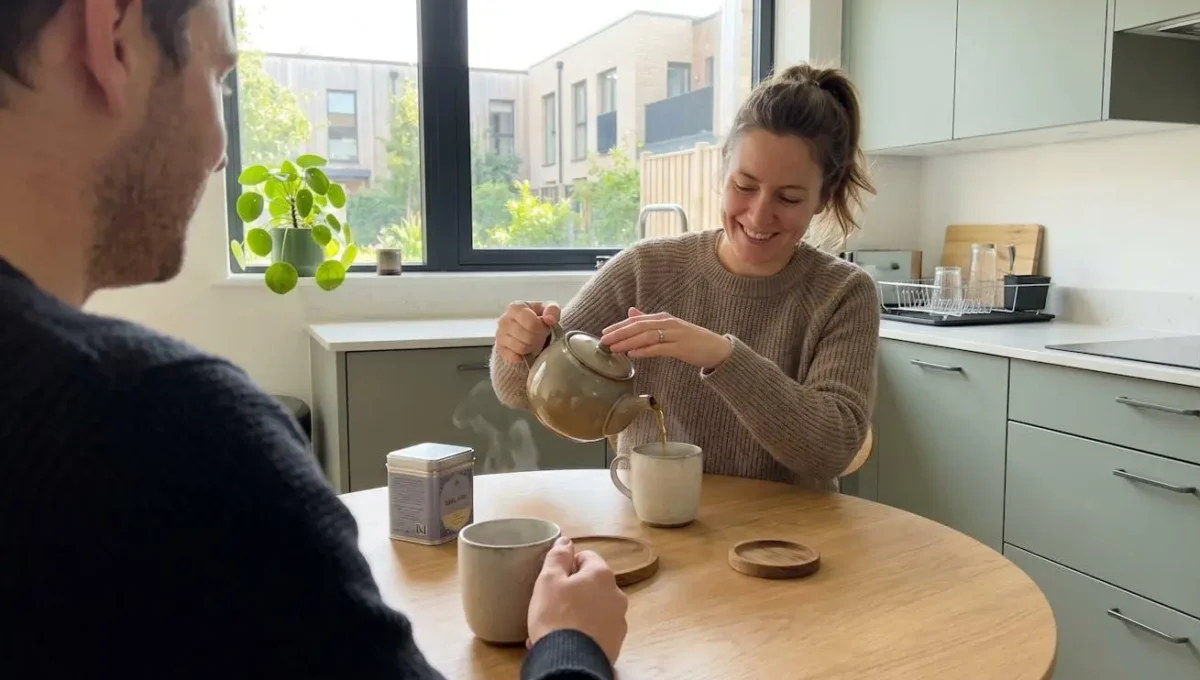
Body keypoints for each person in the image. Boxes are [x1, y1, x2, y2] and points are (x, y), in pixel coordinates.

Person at [0, 1, 626, 677]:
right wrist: (571, 644)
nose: (219, 157)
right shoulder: (158, 427)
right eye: (216, 77)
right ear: (113, 37)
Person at [493, 65, 880, 491]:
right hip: (652, 530)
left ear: (825, 195)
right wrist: (521, 348)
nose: (758, 214)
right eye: (744, 186)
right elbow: (519, 390)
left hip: (785, 547)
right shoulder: (645, 270)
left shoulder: (843, 293)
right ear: (723, 171)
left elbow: (834, 448)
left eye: (788, 197)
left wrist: (721, 356)